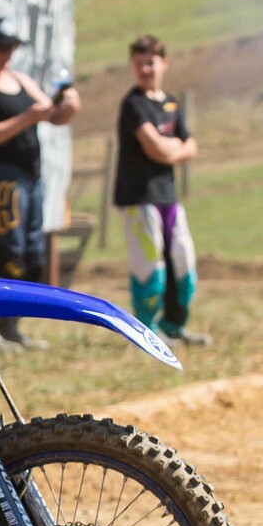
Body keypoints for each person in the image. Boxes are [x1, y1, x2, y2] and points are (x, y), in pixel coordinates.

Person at [0, 16, 76, 347]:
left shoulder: (21, 79)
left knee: (32, 253)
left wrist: (68, 105)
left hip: (30, 177)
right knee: (6, 252)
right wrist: (27, 118)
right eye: (2, 47)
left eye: (12, 46)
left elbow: (53, 115)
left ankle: (11, 327)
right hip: (3, 179)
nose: (8, 53)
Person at [113, 35, 204, 344]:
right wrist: (173, 148)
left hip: (168, 195)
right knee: (149, 266)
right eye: (138, 63)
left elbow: (190, 145)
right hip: (139, 197)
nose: (145, 69)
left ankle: (174, 326)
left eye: (150, 62)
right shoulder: (133, 104)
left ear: (164, 63)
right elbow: (153, 148)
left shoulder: (170, 103)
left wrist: (172, 149)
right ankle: (146, 331)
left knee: (182, 259)